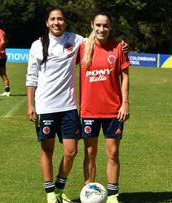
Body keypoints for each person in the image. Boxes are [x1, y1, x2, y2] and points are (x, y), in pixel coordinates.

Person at [26, 8, 83, 203]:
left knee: (71, 151)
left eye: (60, 19)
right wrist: (30, 105)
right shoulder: (37, 45)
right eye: (53, 19)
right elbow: (31, 77)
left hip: (68, 107)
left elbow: (98, 41)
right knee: (47, 151)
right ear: (47, 22)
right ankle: (50, 193)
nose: (56, 22)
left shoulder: (76, 40)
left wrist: (120, 46)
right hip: (46, 106)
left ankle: (59, 188)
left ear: (65, 22)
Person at [78, 11, 130, 203]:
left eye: (105, 25)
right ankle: (89, 191)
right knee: (90, 153)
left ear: (110, 27)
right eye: (98, 25)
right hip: (89, 110)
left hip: (113, 111)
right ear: (92, 24)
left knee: (113, 152)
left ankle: (113, 195)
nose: (102, 29)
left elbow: (125, 77)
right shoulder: (82, 48)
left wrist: (125, 103)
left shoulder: (118, 48)